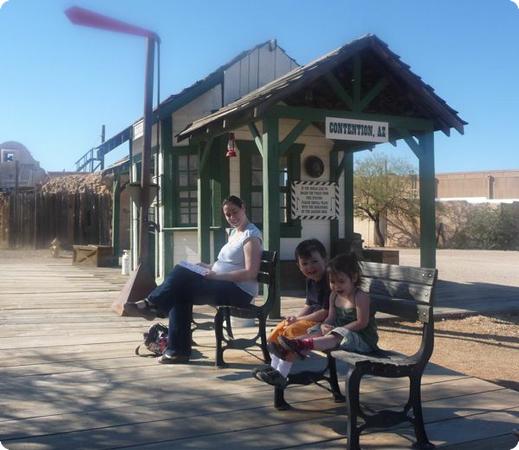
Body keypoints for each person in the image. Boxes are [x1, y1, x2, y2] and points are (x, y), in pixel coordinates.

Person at [124, 195, 263, 364]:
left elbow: (250, 272)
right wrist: (207, 266)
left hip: (239, 291)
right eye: (227, 215)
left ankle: (151, 304)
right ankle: (177, 351)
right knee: (180, 287)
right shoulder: (234, 233)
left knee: (180, 272)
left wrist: (216, 275)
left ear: (243, 208)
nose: (232, 217)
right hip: (223, 284)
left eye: (235, 212)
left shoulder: (251, 236)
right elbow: (227, 263)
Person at [260, 252, 378, 388]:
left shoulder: (360, 296)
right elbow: (331, 317)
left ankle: (301, 345)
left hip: (362, 340)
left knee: (333, 336)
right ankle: (279, 373)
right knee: (311, 333)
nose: (336, 286)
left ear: (354, 278)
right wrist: (325, 325)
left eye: (341, 281)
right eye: (332, 281)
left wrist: (338, 330)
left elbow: (361, 323)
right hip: (339, 334)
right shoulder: (333, 295)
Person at [253, 238, 330, 386]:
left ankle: (282, 373)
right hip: (310, 318)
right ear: (299, 266)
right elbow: (308, 305)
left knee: (290, 333)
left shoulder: (328, 281)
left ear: (324, 260)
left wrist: (299, 321)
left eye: (314, 261)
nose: (310, 267)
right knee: (280, 328)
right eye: (305, 264)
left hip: (321, 322)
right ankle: (273, 368)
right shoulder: (310, 280)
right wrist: (295, 317)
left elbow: (324, 312)